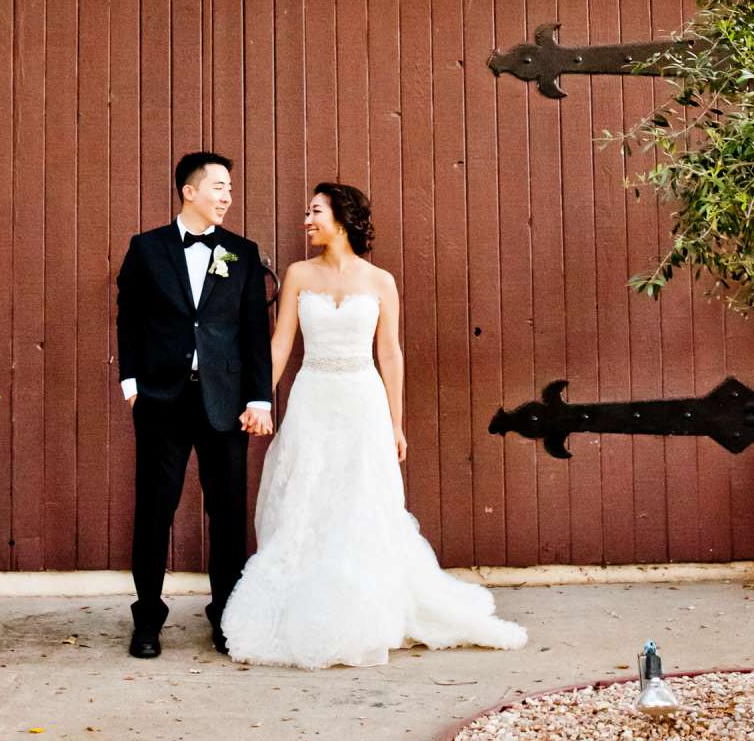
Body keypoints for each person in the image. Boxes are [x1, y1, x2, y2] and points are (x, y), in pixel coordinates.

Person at [221, 181, 528, 669]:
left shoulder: (381, 281)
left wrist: (396, 423)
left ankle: (367, 606)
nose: (307, 219)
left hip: (362, 400)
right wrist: (260, 401)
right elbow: (280, 343)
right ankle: (303, 603)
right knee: (308, 492)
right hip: (313, 398)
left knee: (362, 497)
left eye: (315, 211)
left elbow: (390, 352)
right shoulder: (299, 274)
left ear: (340, 218)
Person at [115, 151, 273, 658]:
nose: (227, 196)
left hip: (224, 402)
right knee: (154, 510)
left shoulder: (242, 253)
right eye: (218, 187)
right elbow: (129, 318)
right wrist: (131, 384)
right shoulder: (146, 248)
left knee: (227, 513)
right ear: (189, 191)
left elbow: (254, 331)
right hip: (161, 399)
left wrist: (259, 398)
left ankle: (225, 614)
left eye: (229, 188)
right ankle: (147, 620)